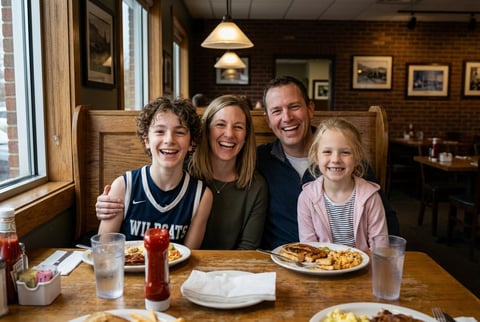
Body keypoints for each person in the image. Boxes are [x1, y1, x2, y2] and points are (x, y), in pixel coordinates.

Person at [257, 75, 399, 249]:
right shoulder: (260, 160)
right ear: (268, 120)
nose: (287, 117)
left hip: (345, 264)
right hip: (281, 260)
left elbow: (386, 224)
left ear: (310, 109)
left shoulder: (345, 160)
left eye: (294, 107)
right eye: (277, 111)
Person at [96, 97, 213, 249]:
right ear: (147, 140)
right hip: (127, 270)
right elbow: (103, 249)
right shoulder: (123, 186)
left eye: (179, 132)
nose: (169, 140)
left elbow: (189, 255)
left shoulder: (201, 196)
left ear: (192, 143)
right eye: (160, 131)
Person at [188, 94, 268, 249]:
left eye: (238, 127)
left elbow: (247, 249)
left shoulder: (257, 186)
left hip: (234, 271)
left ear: (246, 136)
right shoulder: (184, 174)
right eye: (220, 124)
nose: (229, 134)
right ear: (206, 130)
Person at [297, 117, 388, 252]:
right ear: (316, 156)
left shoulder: (371, 197)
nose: (335, 160)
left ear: (357, 157)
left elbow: (380, 247)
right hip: (322, 270)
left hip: (363, 269)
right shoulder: (307, 198)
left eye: (345, 152)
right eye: (327, 152)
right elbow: (309, 248)